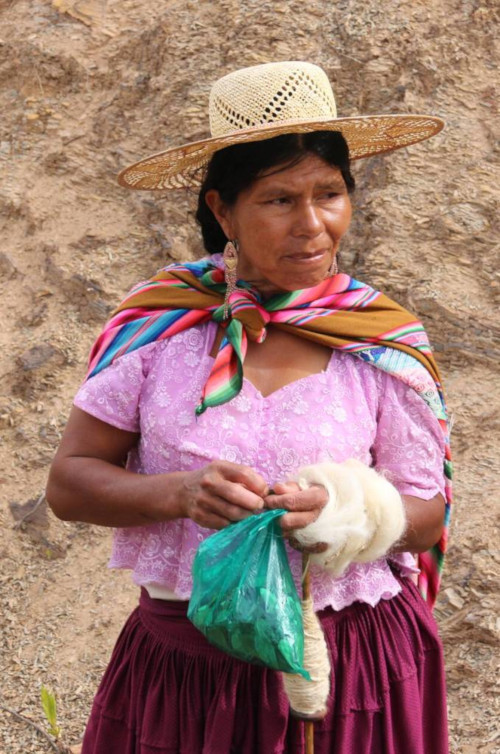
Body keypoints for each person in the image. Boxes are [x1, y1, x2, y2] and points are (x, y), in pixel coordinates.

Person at [47, 61, 451, 753]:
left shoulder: (379, 340)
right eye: (279, 200)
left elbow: (427, 515)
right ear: (221, 209)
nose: (313, 224)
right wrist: (175, 493)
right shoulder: (158, 330)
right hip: (187, 675)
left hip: (352, 666)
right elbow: (70, 483)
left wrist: (350, 513)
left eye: (330, 194)